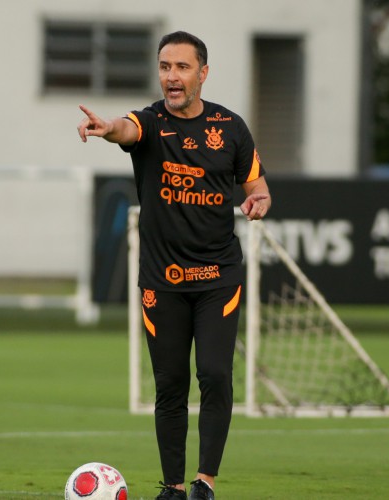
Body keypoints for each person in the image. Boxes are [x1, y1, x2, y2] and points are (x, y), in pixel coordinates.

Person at [76, 31, 270, 500]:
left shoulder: (231, 127)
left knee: (216, 374)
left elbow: (257, 185)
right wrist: (108, 128)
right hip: (161, 282)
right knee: (169, 385)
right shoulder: (150, 122)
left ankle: (206, 483)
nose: (172, 77)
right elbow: (127, 128)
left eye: (182, 67)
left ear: (203, 73)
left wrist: (259, 199)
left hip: (217, 278)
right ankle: (174, 488)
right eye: (165, 66)